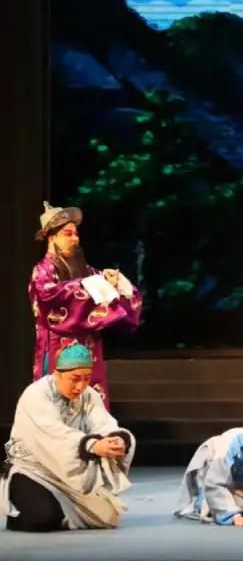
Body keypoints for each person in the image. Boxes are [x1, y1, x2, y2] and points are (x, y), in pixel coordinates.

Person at [0, 343, 136, 531]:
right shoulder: (36, 394)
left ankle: (63, 509)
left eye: (86, 378)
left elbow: (103, 423)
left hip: (71, 474)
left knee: (108, 515)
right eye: (75, 379)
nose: (81, 386)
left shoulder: (89, 395)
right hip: (35, 469)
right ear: (57, 374)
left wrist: (115, 440)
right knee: (42, 518)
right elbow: (53, 436)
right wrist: (93, 446)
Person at [28, 201, 142, 408]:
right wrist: (87, 286)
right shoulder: (42, 271)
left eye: (76, 234)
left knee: (91, 407)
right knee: (57, 407)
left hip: (88, 350)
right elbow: (49, 296)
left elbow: (105, 287)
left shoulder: (85, 270)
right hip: (58, 350)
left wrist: (114, 282)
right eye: (68, 234)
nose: (75, 239)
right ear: (52, 237)